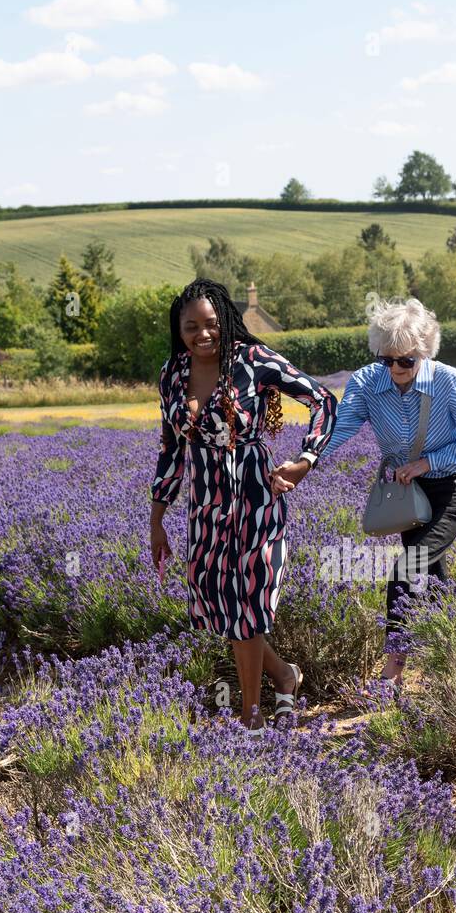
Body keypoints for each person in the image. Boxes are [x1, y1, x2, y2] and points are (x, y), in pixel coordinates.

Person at [150, 277, 337, 731]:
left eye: (211, 324)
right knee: (223, 608)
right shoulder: (172, 374)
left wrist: (304, 460)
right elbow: (172, 448)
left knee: (246, 606)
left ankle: (251, 718)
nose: (202, 334)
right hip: (206, 506)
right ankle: (284, 676)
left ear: (226, 322)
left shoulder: (253, 361)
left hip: (255, 497)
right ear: (179, 329)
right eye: (191, 326)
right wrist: (158, 516)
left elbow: (323, 400)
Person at [318, 296, 456, 687]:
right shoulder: (367, 382)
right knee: (433, 581)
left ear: (424, 352)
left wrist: (427, 462)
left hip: (449, 492)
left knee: (408, 566)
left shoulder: (448, 381)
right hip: (408, 499)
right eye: (388, 359)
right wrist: (304, 461)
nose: (396, 368)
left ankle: (392, 672)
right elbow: (340, 429)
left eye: (406, 360)